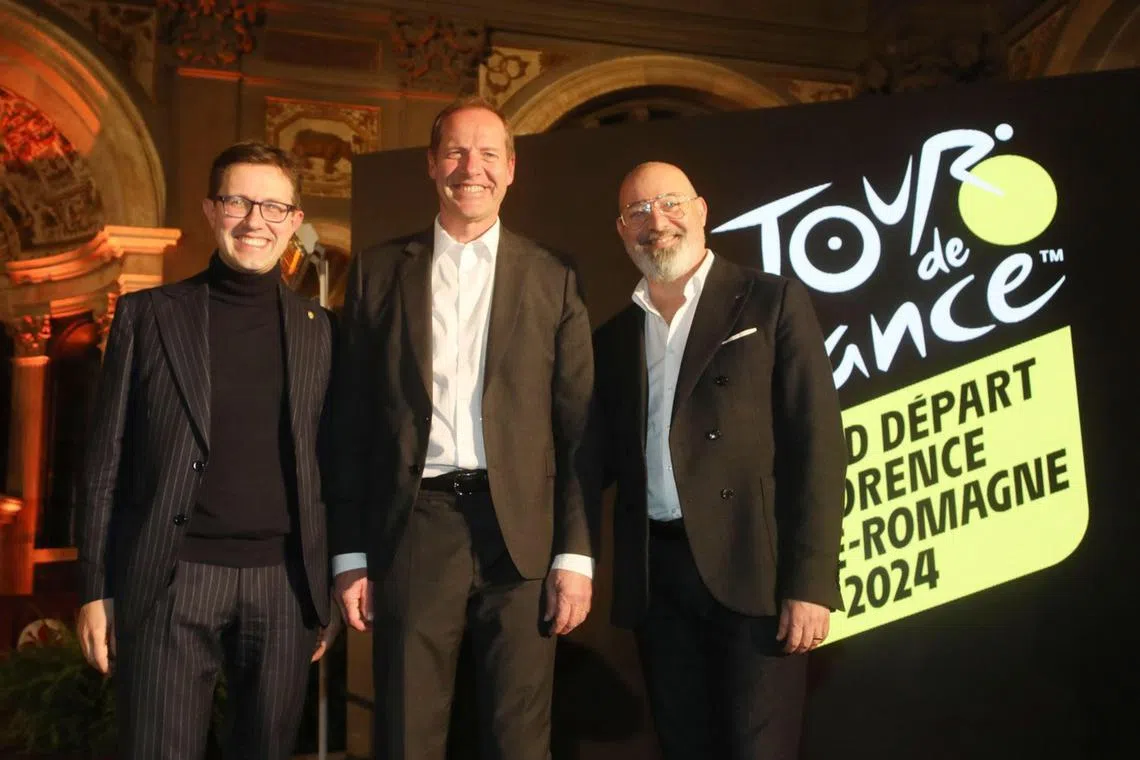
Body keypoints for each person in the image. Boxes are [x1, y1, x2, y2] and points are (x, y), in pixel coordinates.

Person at [326, 96, 595, 760]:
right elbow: (352, 420)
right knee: (406, 732)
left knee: (518, 739)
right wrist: (350, 552)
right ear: (430, 164)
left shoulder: (554, 275)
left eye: (487, 153)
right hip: (416, 527)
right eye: (454, 151)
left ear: (511, 168)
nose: (470, 167)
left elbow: (577, 425)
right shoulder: (377, 271)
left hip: (523, 537)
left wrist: (576, 554)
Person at [76, 141, 335, 759]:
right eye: (238, 201)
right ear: (210, 210)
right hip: (171, 579)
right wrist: (94, 587)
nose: (255, 221)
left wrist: (322, 587)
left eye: (274, 207)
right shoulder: (148, 316)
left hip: (284, 585)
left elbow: (333, 466)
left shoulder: (321, 331)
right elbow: (103, 462)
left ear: (295, 221)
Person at [590, 161, 847, 759]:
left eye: (671, 203)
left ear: (702, 210)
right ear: (622, 230)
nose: (658, 222)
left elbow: (818, 445)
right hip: (658, 580)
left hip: (754, 574)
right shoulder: (612, 337)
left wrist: (810, 583)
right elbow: (591, 458)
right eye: (638, 212)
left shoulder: (771, 300)